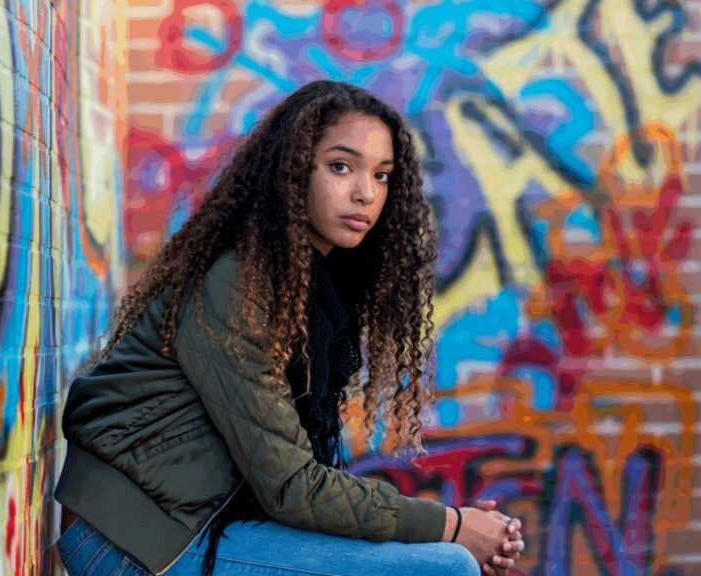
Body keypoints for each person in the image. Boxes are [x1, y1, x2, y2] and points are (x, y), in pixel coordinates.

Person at [53, 80, 526, 576]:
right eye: (340, 167)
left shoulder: (316, 292)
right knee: (445, 567)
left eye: (382, 175)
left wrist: (456, 531)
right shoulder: (237, 284)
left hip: (197, 526)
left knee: (441, 560)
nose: (365, 193)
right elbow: (292, 487)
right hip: (132, 540)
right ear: (293, 169)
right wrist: (451, 525)